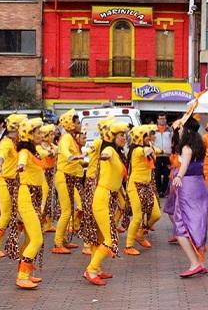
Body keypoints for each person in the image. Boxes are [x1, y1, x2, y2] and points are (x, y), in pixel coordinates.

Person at [84, 121, 129, 286]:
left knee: (101, 237)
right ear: (113, 137)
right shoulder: (109, 150)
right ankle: (91, 269)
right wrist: (103, 156)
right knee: (110, 239)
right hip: (102, 197)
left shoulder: (116, 153)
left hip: (108, 198)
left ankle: (96, 270)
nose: (124, 138)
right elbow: (105, 155)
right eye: (121, 135)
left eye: (125, 135)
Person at [172, 110, 208, 278]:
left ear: (186, 130)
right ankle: (199, 262)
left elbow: (184, 164)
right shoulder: (200, 145)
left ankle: (195, 263)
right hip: (200, 184)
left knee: (180, 226)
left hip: (188, 186)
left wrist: (179, 176)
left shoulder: (186, 147)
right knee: (196, 222)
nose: (178, 129)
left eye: (180, 127)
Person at [0, 114, 27, 258]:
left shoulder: (19, 142)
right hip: (3, 181)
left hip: (15, 182)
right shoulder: (6, 142)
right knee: (6, 213)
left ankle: (15, 241)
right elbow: (1, 155)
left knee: (20, 213)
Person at [13, 117, 46, 289]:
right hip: (27, 196)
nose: (41, 134)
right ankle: (22, 276)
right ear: (29, 135)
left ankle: (23, 270)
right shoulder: (25, 153)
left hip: (34, 197)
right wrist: (20, 167)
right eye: (38, 132)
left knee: (28, 239)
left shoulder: (35, 151)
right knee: (37, 239)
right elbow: (22, 161)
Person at [124, 125, 161, 256]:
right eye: (146, 135)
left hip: (147, 185)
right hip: (135, 186)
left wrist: (153, 147)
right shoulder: (137, 150)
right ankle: (129, 245)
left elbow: (157, 150)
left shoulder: (147, 147)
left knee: (156, 214)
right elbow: (145, 151)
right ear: (140, 137)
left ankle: (140, 233)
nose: (149, 137)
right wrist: (150, 148)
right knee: (138, 216)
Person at [53, 109, 84, 253]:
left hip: (70, 177)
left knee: (70, 210)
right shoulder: (66, 138)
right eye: (77, 123)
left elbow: (77, 157)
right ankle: (58, 243)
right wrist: (70, 156)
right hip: (64, 177)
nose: (79, 125)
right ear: (71, 125)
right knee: (66, 211)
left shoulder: (72, 138)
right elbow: (63, 150)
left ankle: (63, 240)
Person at [38, 124, 59, 233]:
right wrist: (52, 152)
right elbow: (43, 154)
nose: (53, 136)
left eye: (53, 134)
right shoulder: (39, 146)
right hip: (42, 173)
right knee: (43, 198)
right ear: (45, 135)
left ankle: (48, 223)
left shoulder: (52, 146)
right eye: (51, 134)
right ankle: (39, 224)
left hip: (51, 173)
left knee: (51, 198)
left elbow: (57, 150)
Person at [153, 113, 172, 197]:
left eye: (163, 118)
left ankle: (164, 191)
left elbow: (174, 141)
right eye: (160, 118)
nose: (162, 120)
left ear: (166, 119)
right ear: (157, 120)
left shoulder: (170, 130)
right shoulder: (153, 130)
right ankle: (158, 190)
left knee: (166, 174)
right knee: (156, 174)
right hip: (156, 155)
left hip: (167, 155)